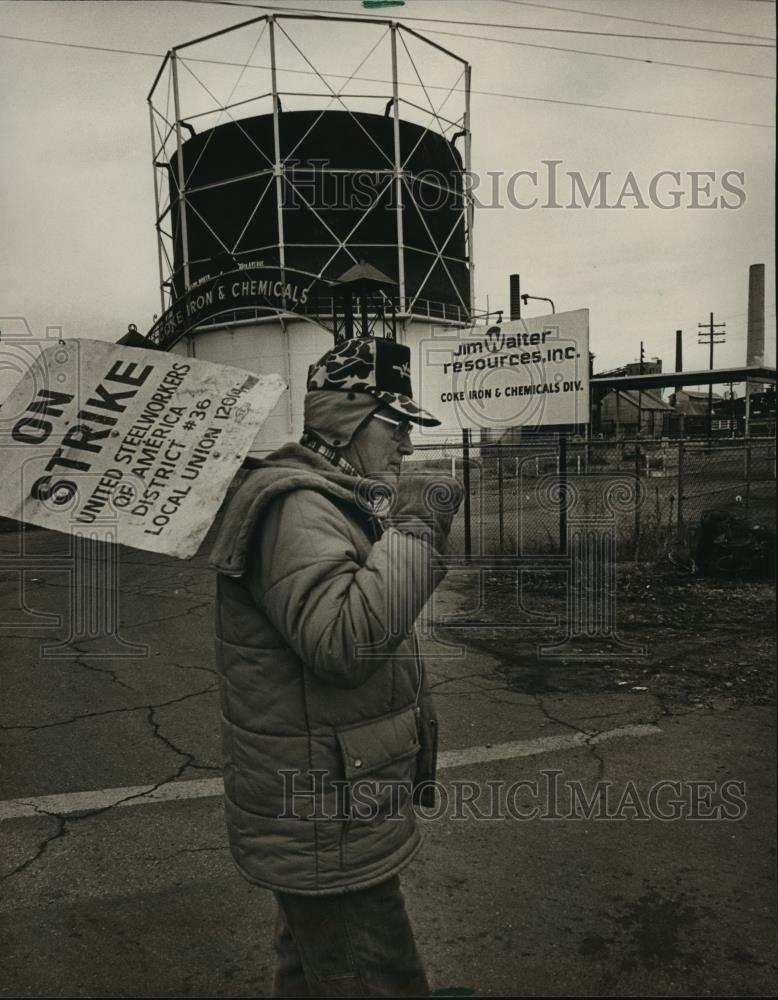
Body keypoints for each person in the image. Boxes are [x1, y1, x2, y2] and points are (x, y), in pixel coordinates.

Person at [209, 335, 462, 997]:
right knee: (379, 980)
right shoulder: (297, 507)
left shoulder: (330, 497)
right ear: (346, 422)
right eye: (395, 423)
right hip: (328, 816)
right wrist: (414, 530)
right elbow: (346, 643)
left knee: (320, 971)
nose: (407, 442)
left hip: (333, 803)